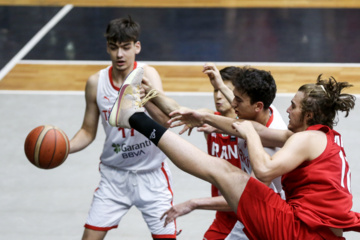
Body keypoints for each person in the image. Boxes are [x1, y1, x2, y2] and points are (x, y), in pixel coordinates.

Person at [109, 70, 360, 239]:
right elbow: (252, 127)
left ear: (308, 116)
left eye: (294, 106)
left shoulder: (307, 139)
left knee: (221, 170)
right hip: (311, 231)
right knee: (223, 170)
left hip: (297, 228)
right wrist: (205, 116)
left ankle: (132, 117)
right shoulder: (320, 139)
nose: (288, 109)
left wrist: (250, 135)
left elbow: (263, 169)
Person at [144, 63, 287, 239]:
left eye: (238, 100)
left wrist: (194, 203)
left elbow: (247, 195)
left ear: (257, 106)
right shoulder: (265, 112)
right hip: (237, 210)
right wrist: (220, 86)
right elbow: (245, 117)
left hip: (261, 215)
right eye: (233, 96)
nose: (232, 103)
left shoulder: (269, 150)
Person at [69, 17, 177, 240]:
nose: (120, 55)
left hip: (152, 175)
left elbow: (166, 123)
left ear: (136, 47)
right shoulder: (96, 83)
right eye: (114, 47)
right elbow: (88, 131)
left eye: (126, 47)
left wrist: (145, 99)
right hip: (114, 177)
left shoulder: (148, 75)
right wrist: (65, 147)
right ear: (107, 47)